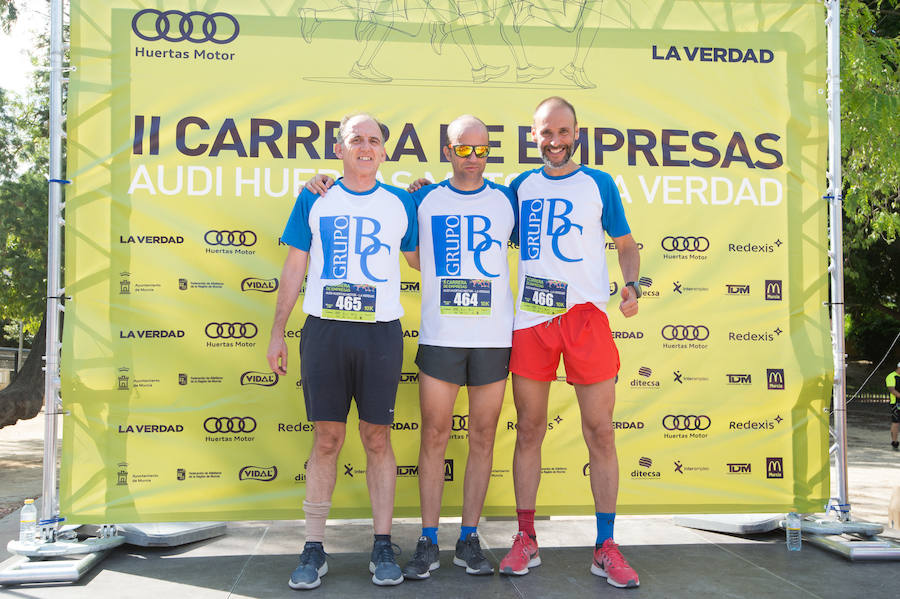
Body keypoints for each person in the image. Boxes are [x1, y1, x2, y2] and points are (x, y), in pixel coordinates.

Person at [305, 114, 518, 580]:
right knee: (434, 438)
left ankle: (468, 539)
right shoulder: (420, 198)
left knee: (482, 439)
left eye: (481, 148)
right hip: (441, 335)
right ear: (447, 151)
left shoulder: (509, 197)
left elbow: (544, 248)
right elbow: (416, 259)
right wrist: (320, 182)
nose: (473, 157)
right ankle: (426, 540)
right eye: (463, 148)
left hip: (494, 338)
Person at [267, 112, 419, 590]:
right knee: (327, 439)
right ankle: (313, 547)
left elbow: (418, 260)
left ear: (385, 151)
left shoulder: (399, 202)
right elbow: (295, 266)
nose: (366, 147)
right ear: (340, 148)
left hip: (379, 334)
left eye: (375, 140)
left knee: (378, 438)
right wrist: (277, 333)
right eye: (357, 139)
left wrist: (429, 198)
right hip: (325, 332)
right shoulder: (315, 195)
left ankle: (382, 543)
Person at [499, 96, 641, 589]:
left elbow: (626, 247)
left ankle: (605, 546)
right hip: (532, 321)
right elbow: (473, 210)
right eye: (544, 133)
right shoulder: (519, 186)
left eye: (562, 132)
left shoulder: (599, 183)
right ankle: (525, 538)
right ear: (533, 136)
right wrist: (423, 192)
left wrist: (632, 284)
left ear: (576, 133)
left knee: (600, 432)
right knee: (529, 430)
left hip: (585, 319)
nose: (554, 141)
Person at [887, 363, 900, 449]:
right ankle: (894, 441)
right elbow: (892, 390)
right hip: (896, 403)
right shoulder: (891, 376)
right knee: (896, 422)